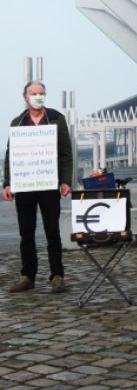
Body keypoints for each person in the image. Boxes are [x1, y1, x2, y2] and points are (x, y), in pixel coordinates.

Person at [3, 80, 73, 294]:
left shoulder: (57, 120)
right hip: (24, 186)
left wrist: (65, 180)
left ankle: (57, 275)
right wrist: (7, 182)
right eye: (33, 93)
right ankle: (28, 276)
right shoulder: (17, 123)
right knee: (26, 233)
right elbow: (10, 156)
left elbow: (65, 153)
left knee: (52, 231)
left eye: (41, 93)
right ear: (25, 97)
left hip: (48, 184)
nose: (37, 96)